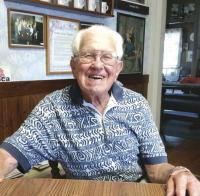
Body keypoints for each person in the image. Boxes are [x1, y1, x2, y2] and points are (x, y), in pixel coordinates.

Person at [0, 25, 199, 195]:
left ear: (118, 67)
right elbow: (10, 153)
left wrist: (178, 172)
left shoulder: (137, 104)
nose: (97, 65)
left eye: (107, 57)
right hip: (82, 192)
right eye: (87, 55)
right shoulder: (53, 108)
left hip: (134, 190)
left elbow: (156, 169)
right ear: (73, 65)